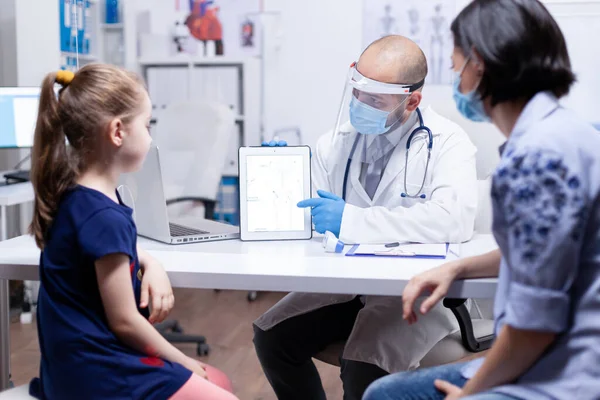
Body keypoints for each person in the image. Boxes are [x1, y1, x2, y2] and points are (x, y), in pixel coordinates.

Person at [363, 1, 600, 399]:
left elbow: (533, 327)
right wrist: (458, 268)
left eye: (455, 66)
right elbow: (545, 249)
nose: (454, 77)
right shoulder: (574, 133)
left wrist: (472, 392)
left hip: (565, 371)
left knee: (385, 395)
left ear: (480, 65)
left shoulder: (536, 160)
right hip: (567, 353)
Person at [254, 35, 479, 400]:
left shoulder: (448, 142)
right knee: (271, 337)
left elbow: (452, 219)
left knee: (363, 368)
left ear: (412, 101)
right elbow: (316, 205)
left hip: (410, 292)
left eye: (374, 100)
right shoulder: (339, 140)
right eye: (357, 93)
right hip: (347, 284)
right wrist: (284, 172)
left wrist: (353, 221)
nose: (360, 105)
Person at [28, 65, 238, 400]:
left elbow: (101, 253)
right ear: (117, 132)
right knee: (220, 392)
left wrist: (149, 261)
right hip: (96, 373)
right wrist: (183, 360)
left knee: (217, 380)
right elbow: (125, 322)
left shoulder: (78, 198)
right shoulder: (102, 216)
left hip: (70, 366)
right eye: (147, 124)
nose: (151, 136)